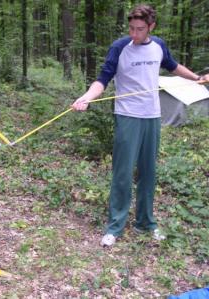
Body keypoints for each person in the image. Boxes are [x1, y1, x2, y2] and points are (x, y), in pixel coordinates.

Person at [72, 4, 209, 247]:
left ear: (151, 27)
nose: (134, 34)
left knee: (148, 172)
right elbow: (102, 79)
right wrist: (86, 97)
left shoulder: (158, 46)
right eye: (131, 28)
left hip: (152, 116)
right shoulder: (119, 48)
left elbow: (173, 65)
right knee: (123, 172)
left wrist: (197, 78)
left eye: (140, 29)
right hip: (127, 116)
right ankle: (115, 226)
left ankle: (145, 222)